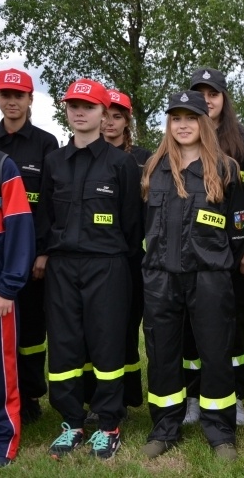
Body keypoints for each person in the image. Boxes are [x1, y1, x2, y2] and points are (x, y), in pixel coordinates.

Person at [35, 78, 142, 459]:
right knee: (64, 345)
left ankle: (108, 424)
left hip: (107, 266)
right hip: (62, 267)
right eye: (73, 105)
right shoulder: (54, 162)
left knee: (107, 343)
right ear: (66, 111)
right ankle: (71, 422)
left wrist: (114, 259)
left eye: (88, 106)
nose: (79, 112)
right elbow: (45, 216)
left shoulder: (121, 163)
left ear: (103, 114)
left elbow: (133, 224)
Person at [139, 90, 244, 460]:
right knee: (162, 352)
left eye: (191, 118)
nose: (183, 125)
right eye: (175, 118)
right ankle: (165, 427)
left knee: (216, 353)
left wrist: (216, 264)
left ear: (204, 122)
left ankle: (220, 432)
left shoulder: (226, 168)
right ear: (168, 124)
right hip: (160, 277)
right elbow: (143, 225)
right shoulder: (153, 167)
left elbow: (237, 230)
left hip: (210, 277)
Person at [183, 68, 244, 427]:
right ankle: (194, 397)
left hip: (236, 255)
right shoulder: (181, 140)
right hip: (193, 256)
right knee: (192, 327)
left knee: (236, 325)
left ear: (224, 99)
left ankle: (236, 397)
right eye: (199, 94)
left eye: (212, 93)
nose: (207, 100)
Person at [82, 90, 150, 416]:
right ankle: (96, 397)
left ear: (128, 121)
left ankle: (125, 396)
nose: (110, 122)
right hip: (90, 256)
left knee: (123, 328)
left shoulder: (142, 158)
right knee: (91, 330)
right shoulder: (83, 154)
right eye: (106, 114)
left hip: (129, 256)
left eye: (117, 116)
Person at [0, 68, 58, 425]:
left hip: (33, 255)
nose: (12, 102)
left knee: (32, 331)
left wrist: (44, 251)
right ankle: (5, 393)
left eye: (18, 96)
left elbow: (51, 202)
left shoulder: (46, 143)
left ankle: (31, 396)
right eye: (6, 95)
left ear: (30, 99)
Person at [0, 148, 35, 467]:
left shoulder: (2, 166)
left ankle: (3, 439)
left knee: (1, 370)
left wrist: (8, 287)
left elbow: (20, 227)